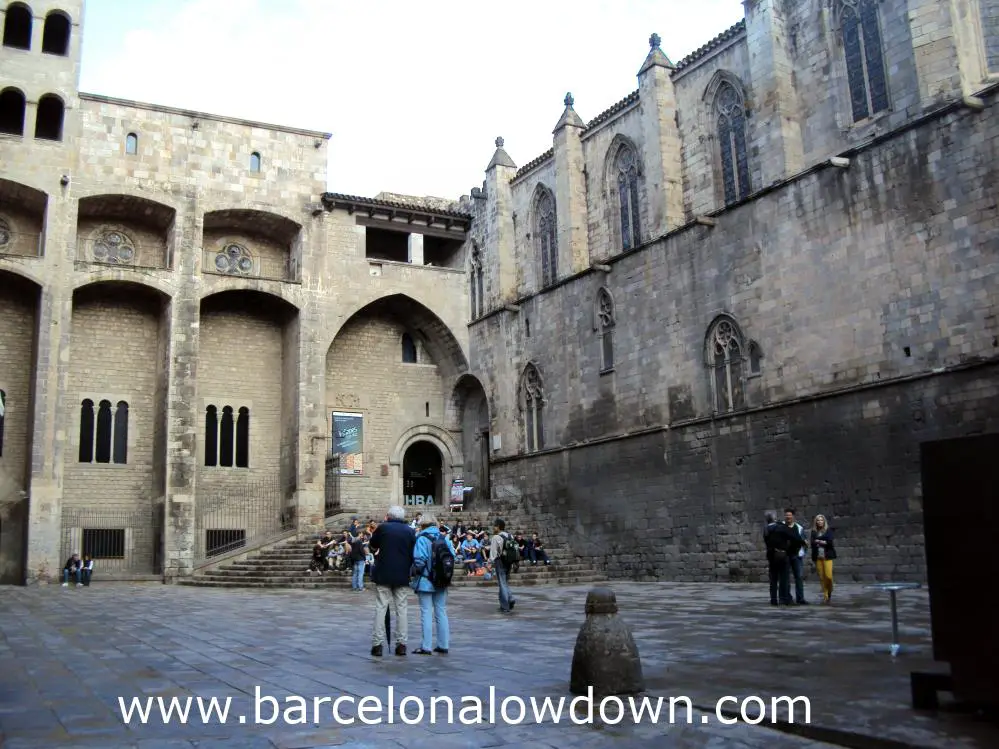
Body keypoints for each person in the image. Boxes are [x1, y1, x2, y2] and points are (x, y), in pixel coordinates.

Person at [368, 506, 415, 657]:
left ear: (389, 516)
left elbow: (373, 545)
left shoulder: (383, 528)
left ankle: (377, 644)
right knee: (402, 609)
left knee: (381, 607)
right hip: (402, 574)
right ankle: (401, 644)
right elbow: (412, 551)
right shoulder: (410, 531)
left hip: (384, 573)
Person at [410, 514, 455, 654]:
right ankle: (443, 644)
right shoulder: (443, 538)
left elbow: (419, 560)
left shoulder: (422, 538)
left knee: (426, 612)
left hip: (425, 580)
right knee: (441, 612)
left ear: (422, 525)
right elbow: (452, 556)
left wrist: (414, 572)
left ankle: (426, 646)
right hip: (441, 580)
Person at [763, 513, 793, 606]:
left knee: (773, 578)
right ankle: (783, 599)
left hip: (771, 555)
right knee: (784, 577)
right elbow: (789, 536)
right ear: (775, 519)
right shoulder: (781, 527)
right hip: (782, 554)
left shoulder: (766, 529)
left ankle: (773, 599)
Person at [488, 518, 517, 614]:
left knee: (502, 583)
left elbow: (493, 553)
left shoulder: (496, 537)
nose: (493, 528)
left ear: (498, 527)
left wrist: (489, 563)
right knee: (504, 582)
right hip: (509, 562)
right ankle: (505, 602)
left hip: (500, 562)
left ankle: (507, 604)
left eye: (495, 526)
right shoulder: (510, 536)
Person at [784, 508, 809, 605]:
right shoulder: (781, 527)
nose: (788, 517)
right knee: (786, 578)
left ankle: (800, 598)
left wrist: (802, 553)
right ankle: (787, 598)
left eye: (790, 515)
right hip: (785, 556)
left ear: (793, 516)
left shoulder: (799, 528)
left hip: (796, 556)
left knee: (798, 576)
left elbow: (805, 542)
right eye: (786, 515)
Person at [811, 514, 836, 604]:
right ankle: (825, 596)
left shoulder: (828, 530)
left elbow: (829, 541)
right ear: (816, 522)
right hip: (818, 557)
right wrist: (823, 541)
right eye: (818, 520)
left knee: (828, 576)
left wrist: (819, 540)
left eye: (821, 520)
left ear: (824, 521)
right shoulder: (814, 532)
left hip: (827, 556)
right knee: (822, 577)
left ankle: (830, 590)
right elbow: (812, 543)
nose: (820, 522)